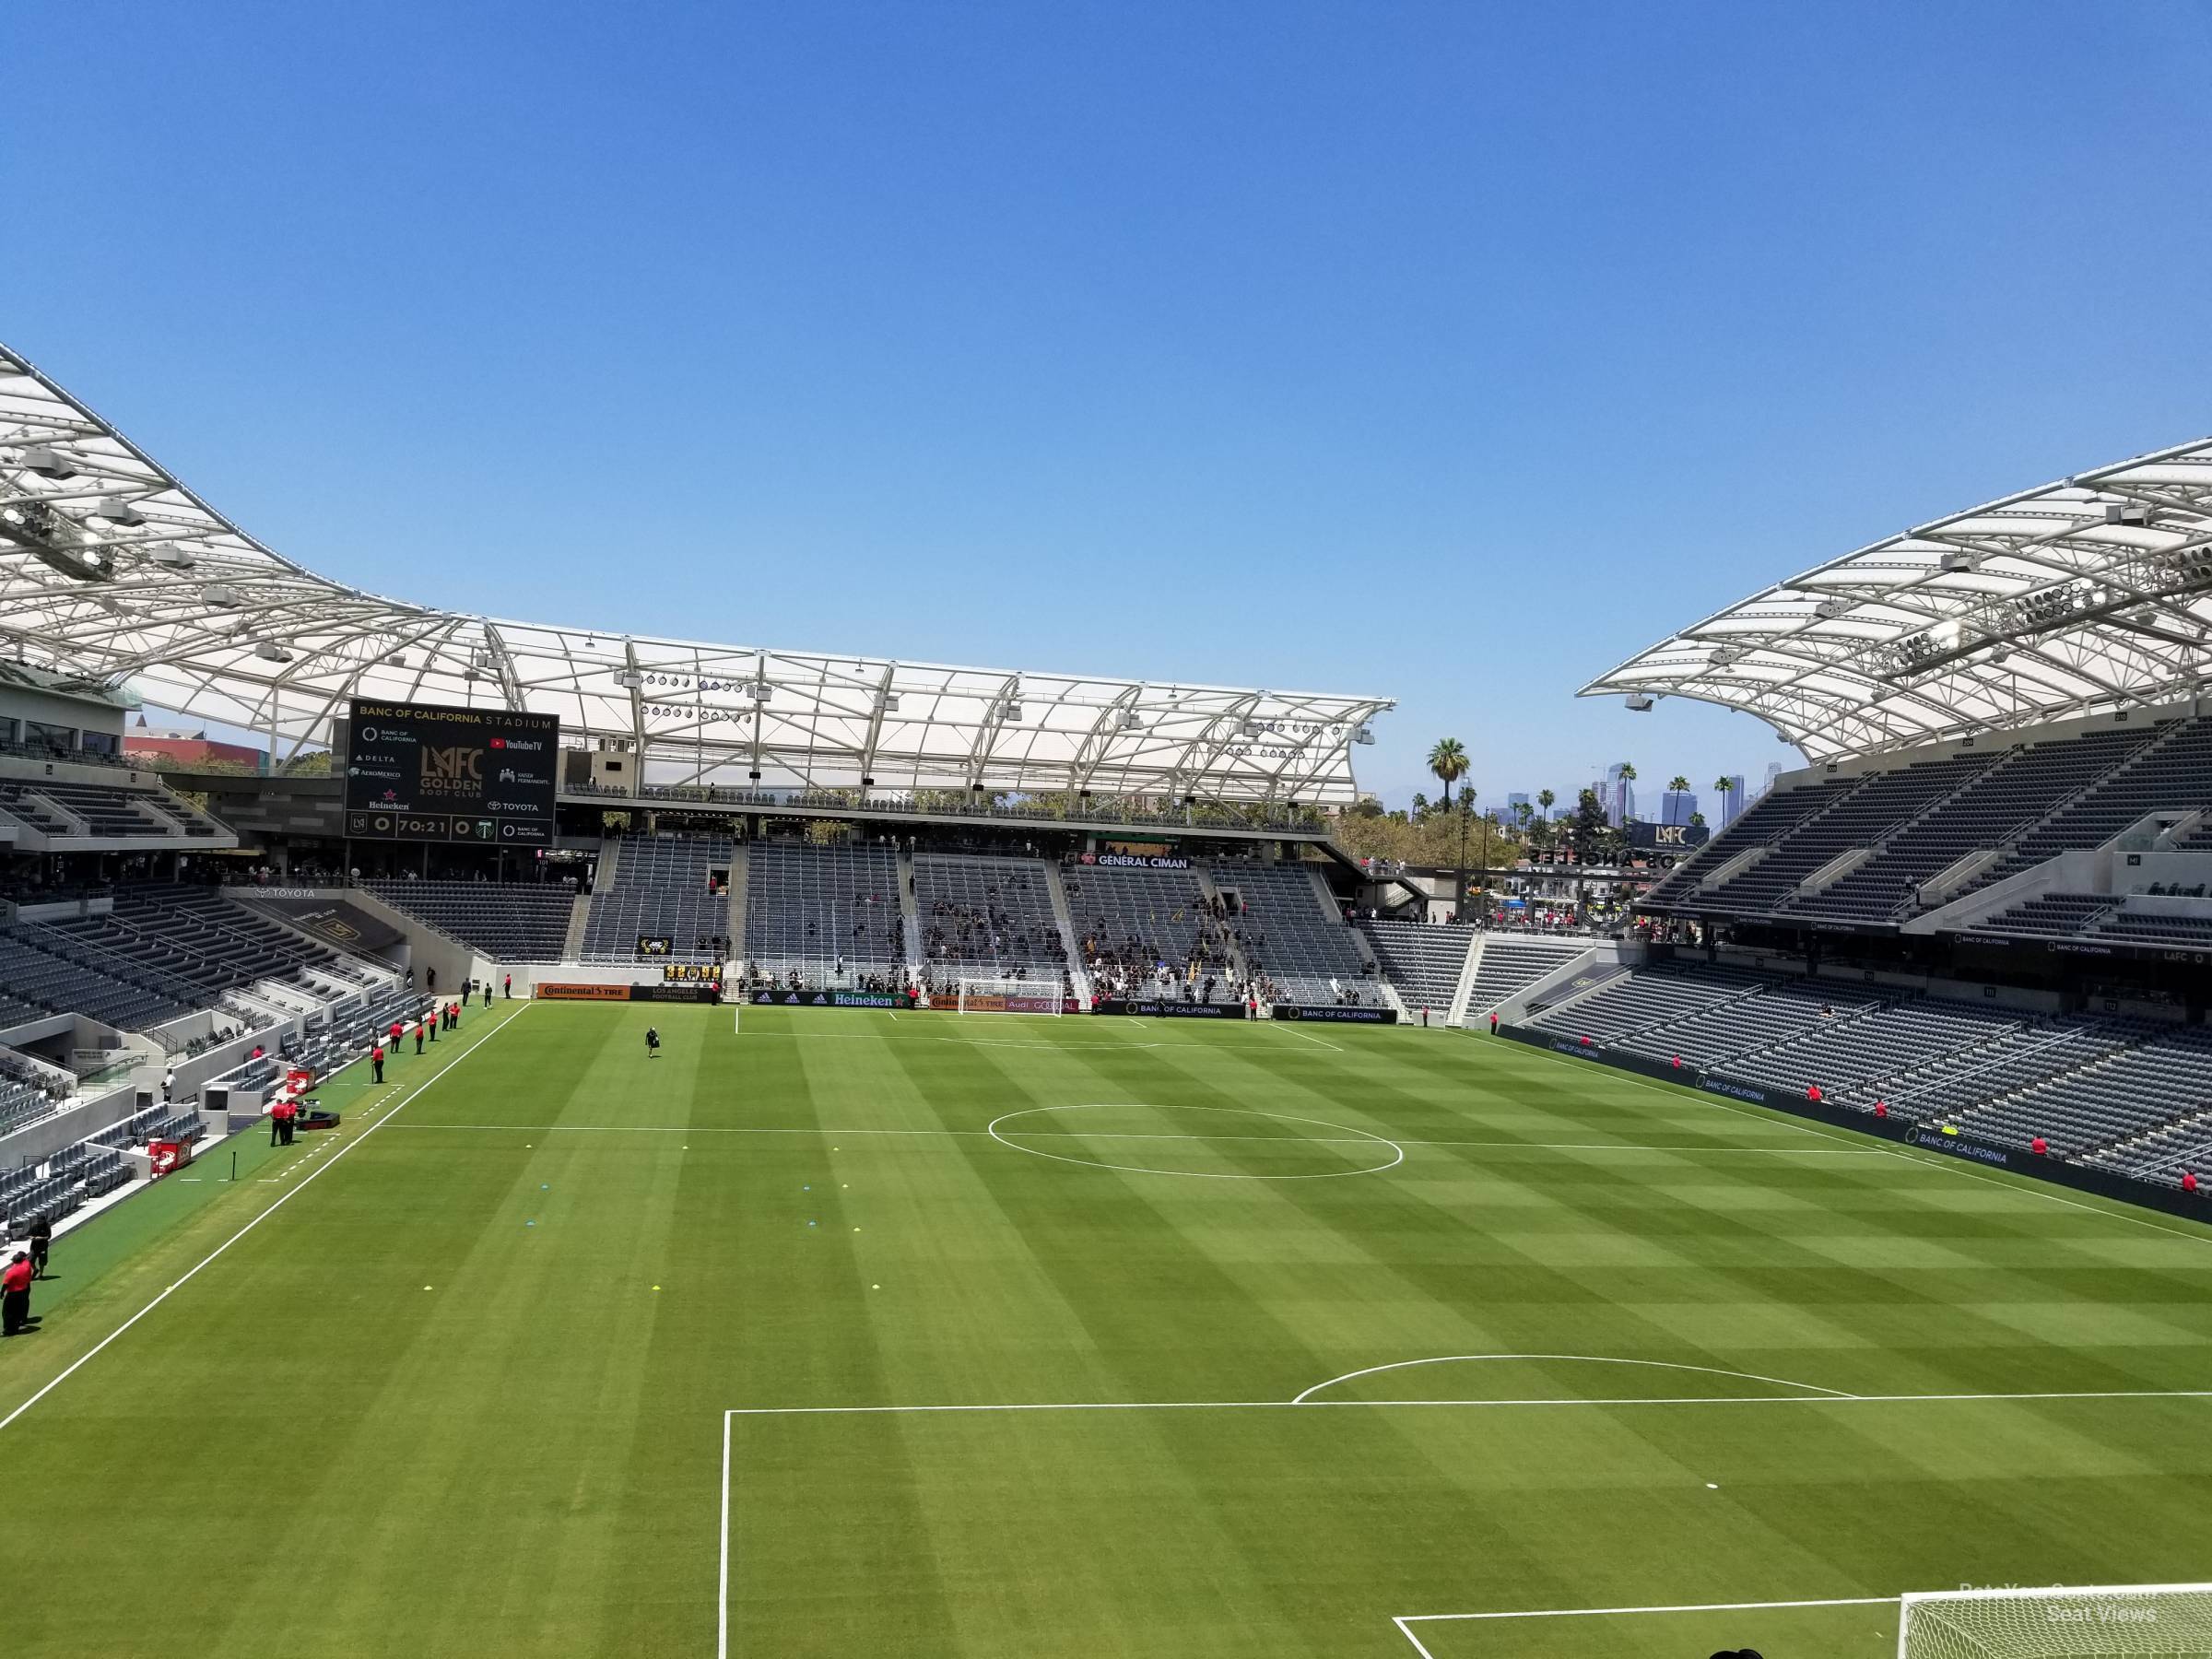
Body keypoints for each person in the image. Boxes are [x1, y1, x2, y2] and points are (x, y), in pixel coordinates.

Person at [1, 1252, 31, 1337]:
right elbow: (26, 1259)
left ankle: (8, 1330)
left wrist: (1, 1292)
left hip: (13, 1294)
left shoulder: (11, 1272)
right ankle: (16, 1326)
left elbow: (6, 1284)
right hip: (24, 1290)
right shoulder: (26, 1265)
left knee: (7, 1312)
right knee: (18, 1310)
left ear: (14, 1262)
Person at [28, 1212, 52, 1280]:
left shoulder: (47, 1226)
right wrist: (31, 1237)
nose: (39, 1222)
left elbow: (48, 1236)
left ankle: (40, 1274)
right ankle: (35, 1270)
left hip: (43, 1247)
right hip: (34, 1247)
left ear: (44, 1220)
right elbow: (30, 1234)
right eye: (38, 1220)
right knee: (30, 1260)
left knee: (42, 1261)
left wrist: (40, 1238)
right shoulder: (34, 1226)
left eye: (40, 1221)